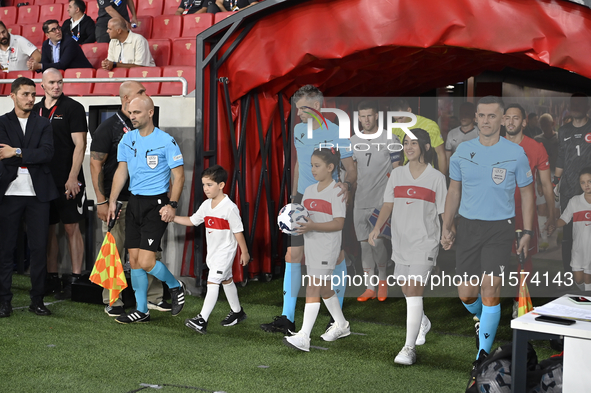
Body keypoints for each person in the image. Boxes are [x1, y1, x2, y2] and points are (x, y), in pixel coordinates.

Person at [440, 96, 534, 388]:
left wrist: (527, 231)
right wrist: (447, 225)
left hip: (500, 229)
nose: (485, 121)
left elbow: (528, 193)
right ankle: (484, 320)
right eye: (481, 115)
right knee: (467, 294)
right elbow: (454, 191)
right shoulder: (462, 152)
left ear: (503, 119)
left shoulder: (516, 153)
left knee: (490, 290)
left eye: (492, 116)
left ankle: (482, 356)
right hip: (468, 228)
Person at [260, 85, 355, 335]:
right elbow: (300, 164)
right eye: (296, 109)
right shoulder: (298, 130)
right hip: (303, 199)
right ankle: (287, 318)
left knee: (336, 257)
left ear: (317, 107)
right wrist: (294, 197)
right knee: (293, 254)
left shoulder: (337, 132)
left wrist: (346, 185)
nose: (299, 114)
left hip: (329, 199)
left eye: (303, 109)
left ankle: (337, 320)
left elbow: (351, 169)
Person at [90, 81, 169, 316]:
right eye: (141, 92)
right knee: (115, 250)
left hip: (146, 200)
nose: (146, 94)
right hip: (119, 202)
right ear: (125, 99)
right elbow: (95, 165)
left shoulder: (147, 126)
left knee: (150, 250)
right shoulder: (107, 128)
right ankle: (113, 301)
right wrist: (103, 201)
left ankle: (154, 297)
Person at [368, 129, 446, 365]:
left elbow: (443, 211)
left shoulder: (436, 178)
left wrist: (448, 233)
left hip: (426, 242)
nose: (409, 147)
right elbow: (388, 204)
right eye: (405, 143)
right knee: (406, 290)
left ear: (425, 146)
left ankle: (408, 348)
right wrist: (377, 228)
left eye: (414, 143)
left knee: (413, 291)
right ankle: (422, 321)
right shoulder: (397, 174)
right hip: (400, 243)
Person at [108, 95, 185, 324]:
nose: (132, 117)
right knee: (133, 261)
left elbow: (179, 177)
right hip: (134, 203)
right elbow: (122, 171)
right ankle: (142, 310)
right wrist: (112, 200)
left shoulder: (166, 141)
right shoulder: (127, 139)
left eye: (137, 113)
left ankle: (175, 285)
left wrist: (172, 204)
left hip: (157, 205)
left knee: (148, 261)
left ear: (150, 113)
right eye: (130, 113)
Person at [0, 77, 59, 317]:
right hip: (9, 193)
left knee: (38, 249)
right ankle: (4, 301)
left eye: (32, 95)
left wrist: (16, 152)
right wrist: (25, 154)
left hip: (38, 194)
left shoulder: (44, 124)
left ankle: (37, 300)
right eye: (25, 94)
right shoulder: (2, 123)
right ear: (12, 95)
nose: (30, 99)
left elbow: (46, 153)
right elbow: (0, 154)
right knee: (5, 249)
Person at [283, 148, 350, 352]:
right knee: (323, 288)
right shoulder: (309, 190)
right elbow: (302, 218)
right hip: (311, 245)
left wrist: (313, 227)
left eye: (317, 165)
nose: (312, 169)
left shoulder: (337, 191)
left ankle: (304, 336)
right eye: (311, 165)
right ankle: (342, 324)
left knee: (313, 286)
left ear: (330, 168)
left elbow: (339, 223)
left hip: (327, 247)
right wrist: (289, 223)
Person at [31, 69, 87, 299]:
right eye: (52, 82)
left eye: (60, 82)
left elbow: (80, 145)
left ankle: (75, 279)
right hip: (44, 180)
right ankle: (52, 278)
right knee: (48, 229)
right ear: (42, 85)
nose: (57, 86)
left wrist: (73, 177)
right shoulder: (35, 110)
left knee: (71, 227)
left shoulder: (73, 108)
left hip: (68, 179)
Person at [174, 165, 250, 334]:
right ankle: (238, 312)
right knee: (226, 280)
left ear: (221, 185)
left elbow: (238, 232)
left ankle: (202, 319)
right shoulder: (206, 205)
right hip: (213, 254)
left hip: (225, 253)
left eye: (209, 185)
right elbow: (193, 221)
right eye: (203, 185)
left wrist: (244, 252)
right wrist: (173, 218)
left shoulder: (230, 208)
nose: (205, 189)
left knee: (213, 282)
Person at [503, 103, 556, 318]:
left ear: (524, 122)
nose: (511, 122)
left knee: (523, 259)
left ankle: (519, 301)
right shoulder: (491, 146)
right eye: (507, 117)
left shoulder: (536, 147)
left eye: (516, 118)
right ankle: (488, 304)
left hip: (524, 213)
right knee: (491, 258)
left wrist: (552, 215)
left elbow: (546, 184)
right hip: (496, 213)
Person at [350, 100, 401, 302]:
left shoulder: (390, 138)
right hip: (360, 200)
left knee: (377, 242)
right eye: (362, 116)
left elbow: (397, 170)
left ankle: (382, 282)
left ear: (377, 115)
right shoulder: (353, 140)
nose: (366, 120)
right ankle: (369, 287)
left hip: (381, 201)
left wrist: (395, 198)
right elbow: (351, 172)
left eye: (369, 115)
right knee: (364, 245)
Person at [555, 94, 591, 274]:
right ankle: (567, 275)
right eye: (573, 104)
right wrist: (555, 182)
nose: (575, 106)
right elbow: (561, 159)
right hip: (568, 192)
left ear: (587, 106)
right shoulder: (563, 131)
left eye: (579, 104)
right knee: (567, 236)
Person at [389, 98, 447, 176]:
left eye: (401, 118)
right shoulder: (393, 129)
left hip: (426, 175)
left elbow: (441, 154)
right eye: (396, 119)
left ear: (409, 111)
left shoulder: (429, 125)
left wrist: (441, 179)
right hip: (404, 176)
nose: (399, 122)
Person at [556, 167, 591, 291]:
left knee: (588, 281)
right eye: (583, 182)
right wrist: (553, 224)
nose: (586, 185)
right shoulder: (575, 201)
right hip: (578, 250)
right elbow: (564, 219)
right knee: (579, 279)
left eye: (589, 181)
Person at [27, 20, 93, 72]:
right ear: (47, 35)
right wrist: (34, 65)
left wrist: (39, 66)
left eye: (58, 28)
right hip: (62, 76)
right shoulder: (45, 45)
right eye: (53, 30)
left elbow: (62, 65)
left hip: (81, 74)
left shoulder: (69, 42)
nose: (58, 31)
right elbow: (45, 63)